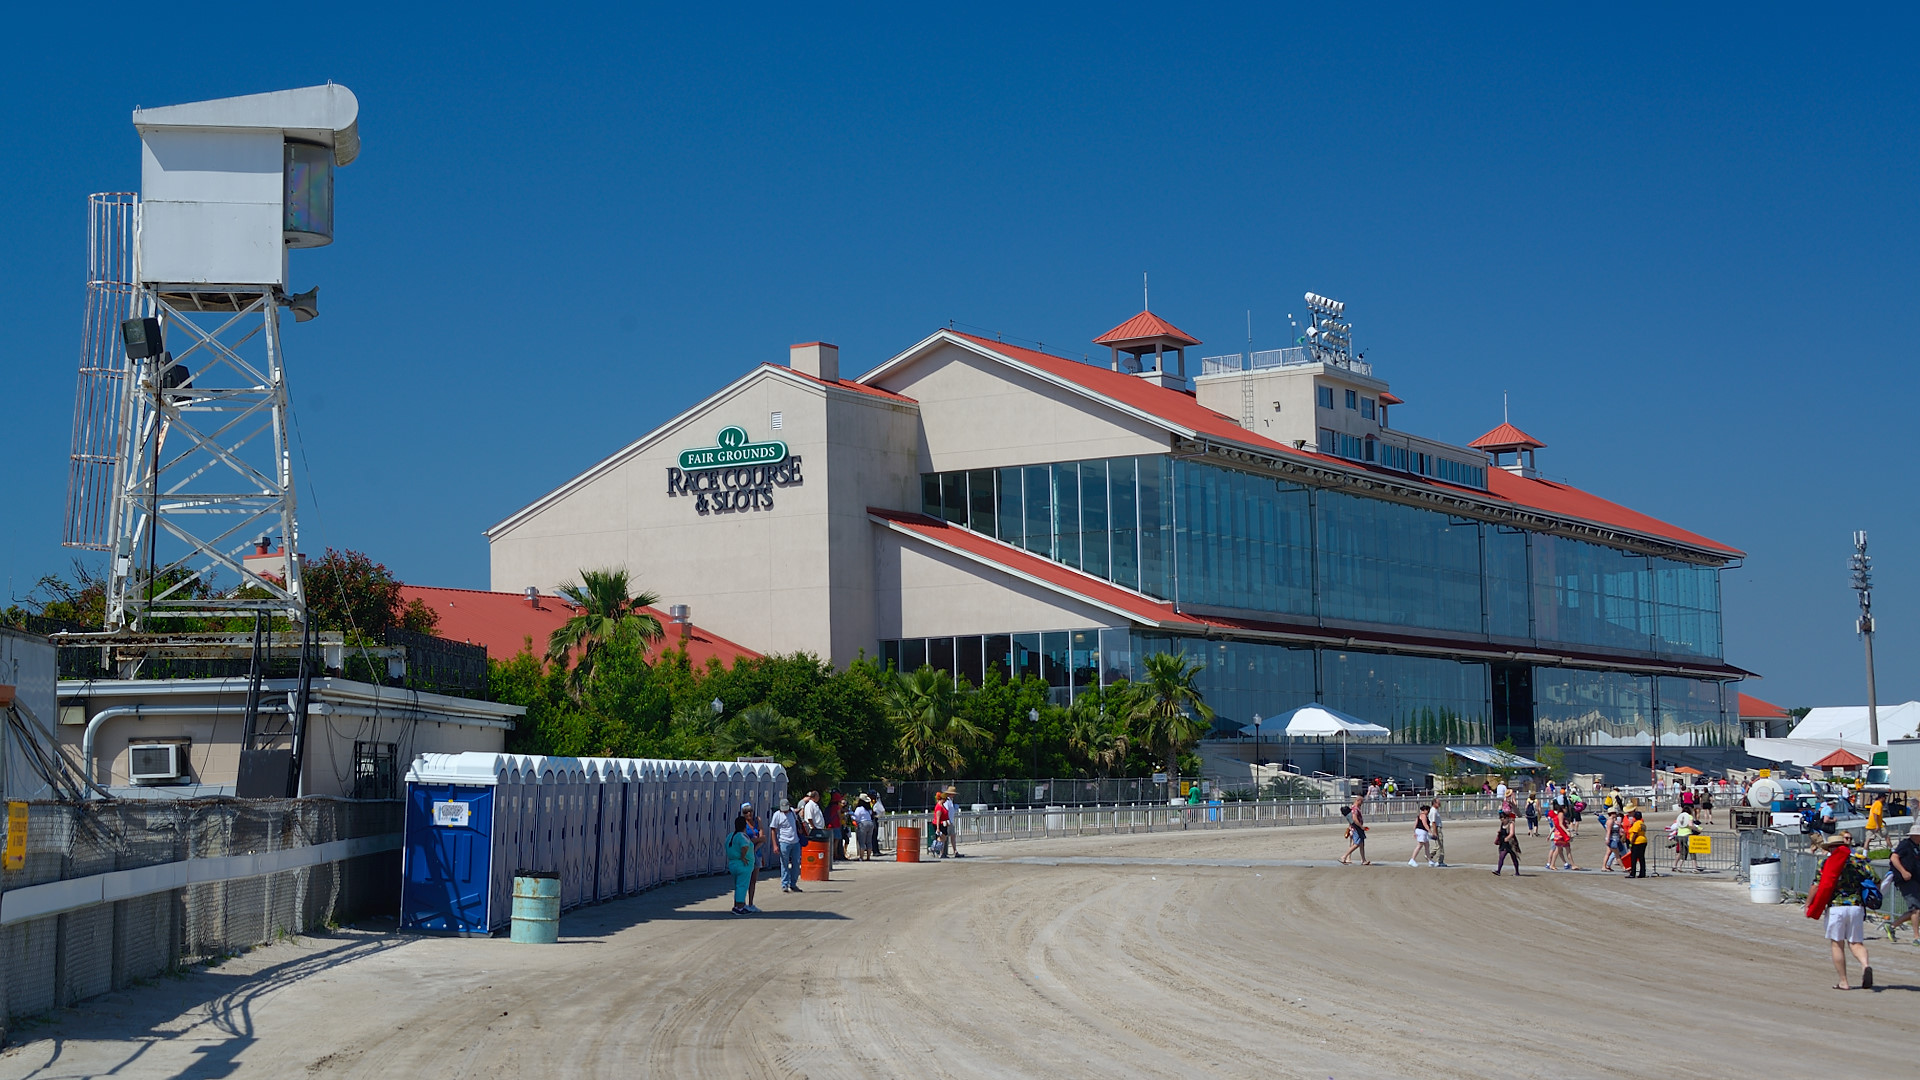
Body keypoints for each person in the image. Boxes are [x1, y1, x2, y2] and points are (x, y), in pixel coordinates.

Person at [1805, 833, 1873, 990]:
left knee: (1837, 944)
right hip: (1856, 907)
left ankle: (1844, 982)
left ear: (1831, 848)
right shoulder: (1859, 862)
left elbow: (1816, 885)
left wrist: (1809, 904)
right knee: (1856, 943)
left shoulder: (1826, 863)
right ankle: (1865, 965)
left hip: (1836, 907)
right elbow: (1875, 879)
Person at [1889, 823, 1920, 943]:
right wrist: (1903, 872)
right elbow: (1894, 857)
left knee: (1916, 909)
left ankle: (1892, 926)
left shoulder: (1917, 847)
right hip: (1906, 880)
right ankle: (1916, 937)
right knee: (1916, 909)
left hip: (1915, 880)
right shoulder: (1905, 844)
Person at [769, 800, 803, 893]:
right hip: (784, 842)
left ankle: (793, 884)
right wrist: (775, 845)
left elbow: (796, 821)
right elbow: (773, 830)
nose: (785, 811)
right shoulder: (777, 815)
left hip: (795, 841)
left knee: (796, 863)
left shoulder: (792, 812)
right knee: (784, 864)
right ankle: (785, 884)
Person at [726, 815, 757, 915]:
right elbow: (745, 846)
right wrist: (743, 856)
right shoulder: (742, 836)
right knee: (742, 885)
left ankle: (736, 905)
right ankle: (740, 907)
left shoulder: (731, 835)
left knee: (738, 885)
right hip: (743, 864)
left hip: (733, 863)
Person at [740, 802, 765, 910]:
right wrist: (756, 841)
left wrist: (755, 847)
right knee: (745, 879)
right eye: (745, 812)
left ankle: (751, 903)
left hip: (756, 853)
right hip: (746, 854)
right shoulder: (742, 824)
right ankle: (742, 903)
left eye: (750, 811)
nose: (748, 814)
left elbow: (763, 838)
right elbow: (746, 839)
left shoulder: (757, 821)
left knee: (753, 880)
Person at [1546, 804, 1580, 871]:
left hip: (1561, 833)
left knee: (1565, 849)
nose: (1566, 810)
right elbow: (1560, 824)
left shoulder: (1560, 814)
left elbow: (1557, 825)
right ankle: (1552, 864)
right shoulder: (1561, 814)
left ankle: (1572, 864)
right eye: (1566, 808)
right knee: (1559, 849)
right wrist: (1567, 832)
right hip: (1560, 834)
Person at [1341, 794, 1372, 865]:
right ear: (1358, 801)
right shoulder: (1355, 809)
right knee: (1357, 844)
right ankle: (1344, 856)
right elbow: (1354, 819)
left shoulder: (1354, 808)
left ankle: (1363, 860)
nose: (1362, 803)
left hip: (1356, 828)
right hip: (1356, 828)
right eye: (1362, 801)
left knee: (1361, 844)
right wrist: (1361, 827)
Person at [1670, 806, 1701, 873]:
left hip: (1679, 835)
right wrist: (1697, 829)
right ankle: (1694, 867)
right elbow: (1690, 825)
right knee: (1692, 852)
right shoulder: (1689, 816)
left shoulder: (1680, 816)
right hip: (1687, 835)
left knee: (1682, 852)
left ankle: (1679, 866)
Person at [1492, 811, 1523, 876]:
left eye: (1503, 818)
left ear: (1506, 818)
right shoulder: (1502, 824)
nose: (1501, 820)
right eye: (1500, 818)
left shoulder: (1511, 824)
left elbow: (1512, 833)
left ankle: (1517, 872)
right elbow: (1501, 830)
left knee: (1514, 858)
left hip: (1511, 843)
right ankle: (1498, 871)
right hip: (1503, 843)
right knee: (1501, 857)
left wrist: (1507, 838)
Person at [852, 794, 877, 860]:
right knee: (869, 841)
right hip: (870, 823)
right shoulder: (869, 809)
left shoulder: (859, 809)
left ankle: (861, 857)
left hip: (863, 824)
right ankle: (868, 857)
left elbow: (856, 817)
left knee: (862, 841)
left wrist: (851, 816)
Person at [1409, 803, 1434, 867]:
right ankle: (1412, 860)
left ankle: (1430, 861)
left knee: (1427, 846)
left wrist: (1414, 832)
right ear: (1425, 810)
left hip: (1420, 831)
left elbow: (1415, 824)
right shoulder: (1423, 816)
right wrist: (1430, 831)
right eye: (1428, 811)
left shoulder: (1419, 815)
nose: (1428, 812)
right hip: (1422, 831)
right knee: (1420, 845)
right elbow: (1425, 824)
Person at [1626, 810, 1649, 878]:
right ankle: (1642, 873)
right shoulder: (1642, 823)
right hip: (1643, 841)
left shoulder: (1636, 823)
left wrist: (1631, 843)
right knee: (1641, 858)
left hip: (1637, 842)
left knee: (1634, 858)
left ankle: (1633, 873)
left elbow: (1635, 833)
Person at [826, 792, 846, 862]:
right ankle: (835, 854)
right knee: (836, 841)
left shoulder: (830, 806)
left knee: (831, 841)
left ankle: (832, 854)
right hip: (836, 825)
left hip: (830, 825)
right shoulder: (837, 807)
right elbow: (839, 816)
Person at [943, 789, 964, 857]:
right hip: (948, 821)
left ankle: (955, 851)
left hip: (951, 821)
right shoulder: (947, 801)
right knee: (945, 837)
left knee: (952, 836)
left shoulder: (950, 801)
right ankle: (942, 852)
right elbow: (945, 811)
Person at [932, 793, 952, 857]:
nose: (946, 801)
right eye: (945, 799)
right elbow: (938, 818)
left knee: (943, 839)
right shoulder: (939, 807)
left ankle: (941, 852)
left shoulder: (942, 806)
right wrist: (938, 828)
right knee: (941, 839)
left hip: (944, 824)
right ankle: (939, 852)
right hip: (939, 824)